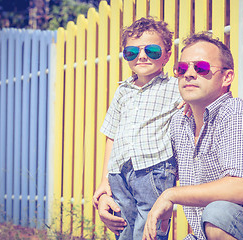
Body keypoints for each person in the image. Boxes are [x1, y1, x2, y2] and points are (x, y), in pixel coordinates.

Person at [142, 32, 243, 240]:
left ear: (227, 77)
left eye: (201, 68)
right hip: (208, 235)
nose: (189, 74)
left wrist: (171, 195)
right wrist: (106, 194)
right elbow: (153, 169)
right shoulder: (179, 124)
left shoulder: (235, 115)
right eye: (182, 68)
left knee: (218, 213)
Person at [92, 17, 182, 240]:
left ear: (167, 55)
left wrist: (189, 103)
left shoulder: (175, 87)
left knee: (149, 230)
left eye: (151, 50)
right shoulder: (122, 91)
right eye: (132, 52)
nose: (141, 56)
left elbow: (194, 104)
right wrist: (105, 179)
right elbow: (111, 135)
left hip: (154, 170)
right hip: (119, 174)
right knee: (123, 230)